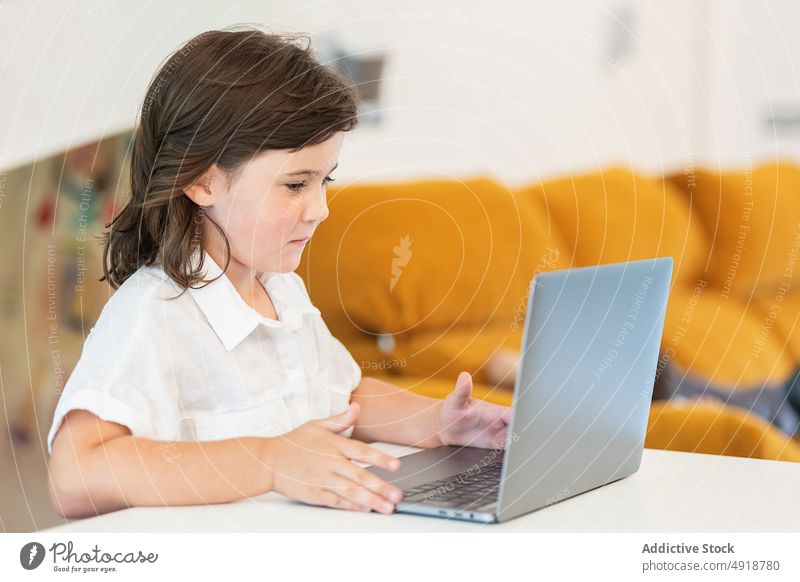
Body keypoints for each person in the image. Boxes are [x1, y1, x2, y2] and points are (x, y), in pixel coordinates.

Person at [47, 27, 511, 519]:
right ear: (202, 181)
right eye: (295, 185)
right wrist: (269, 461)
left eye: (324, 180)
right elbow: (75, 475)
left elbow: (340, 395)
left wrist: (437, 423)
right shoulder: (154, 313)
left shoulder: (280, 289)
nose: (320, 209)